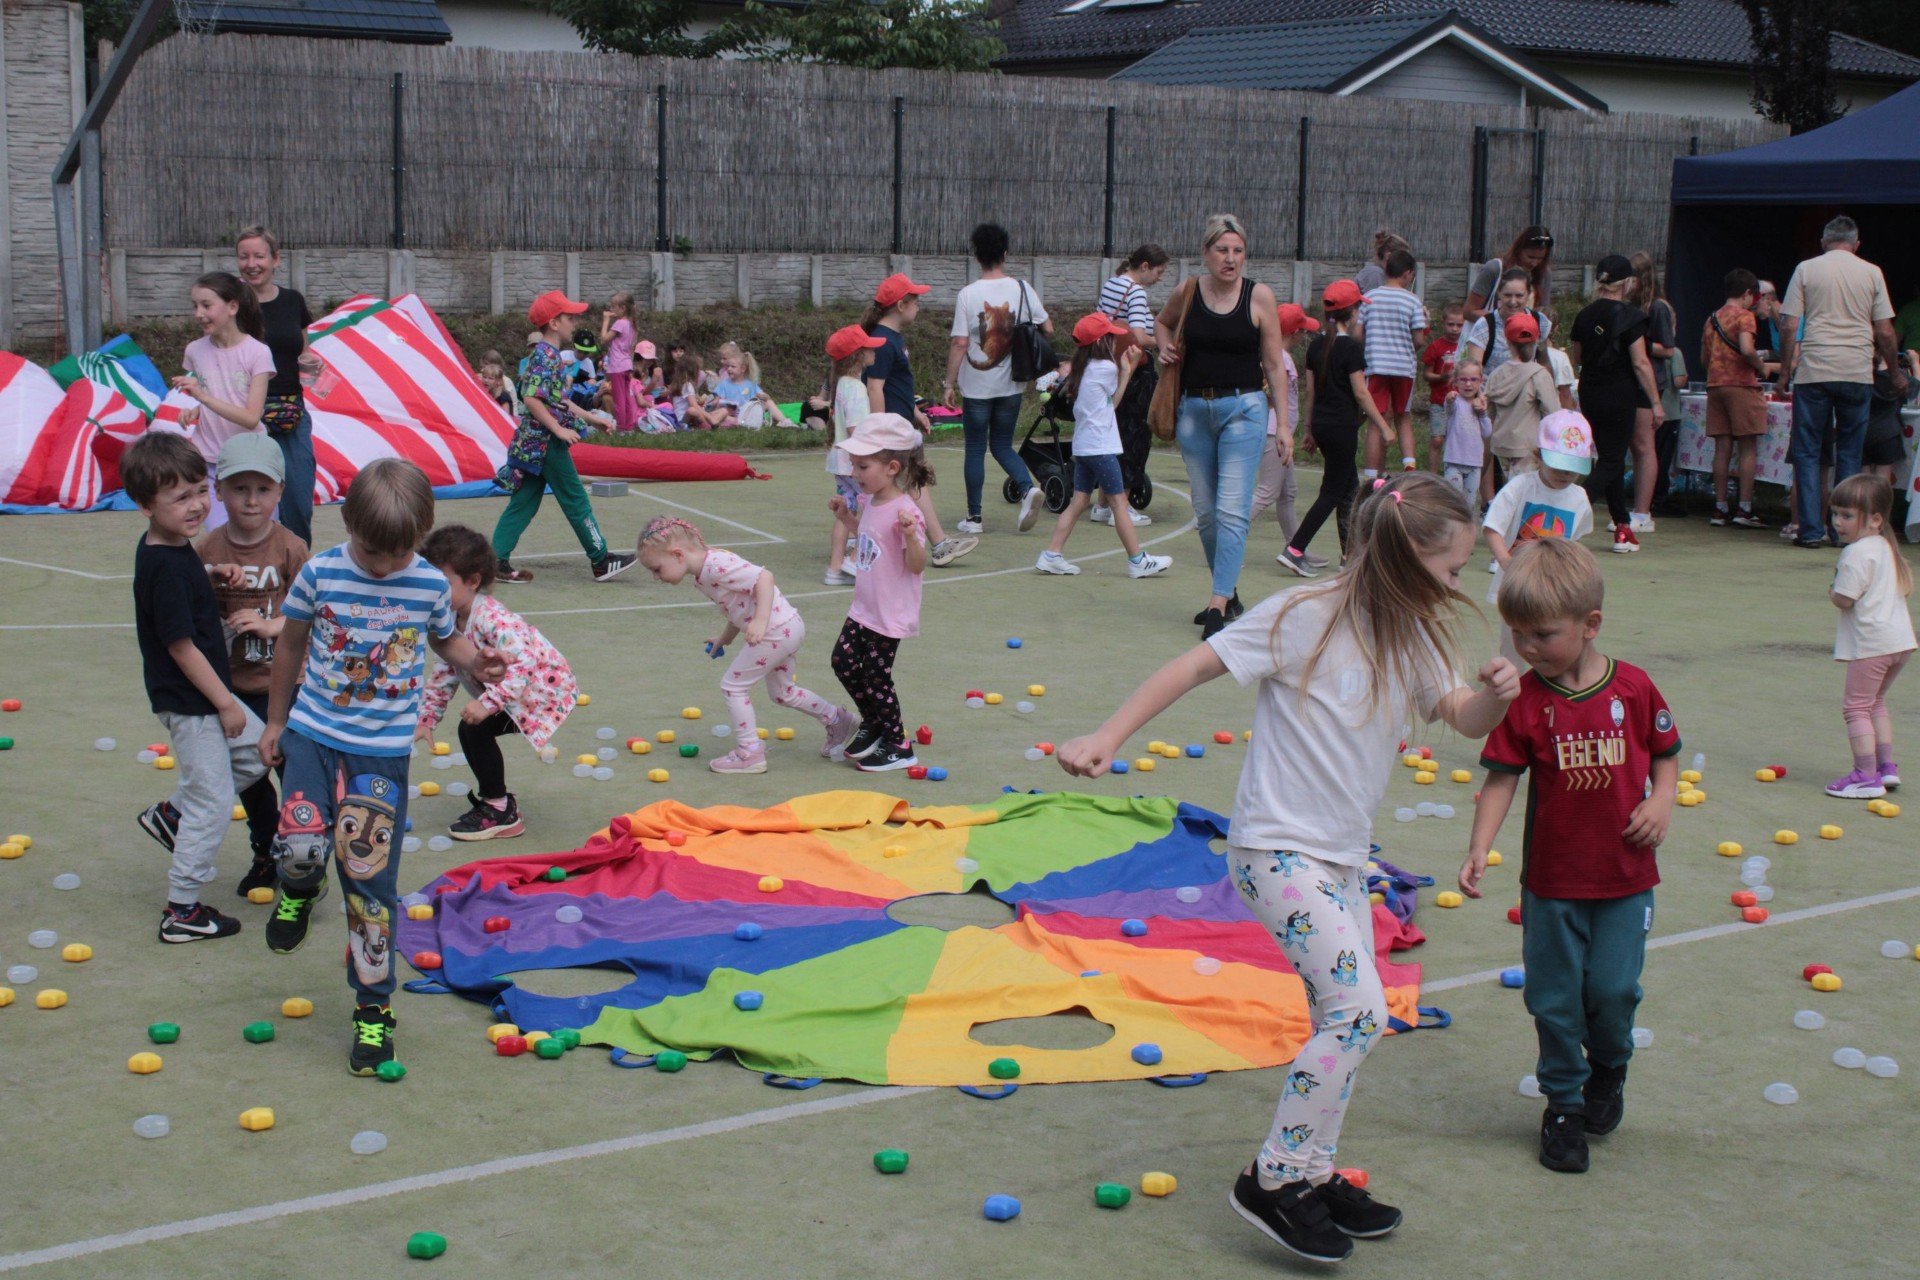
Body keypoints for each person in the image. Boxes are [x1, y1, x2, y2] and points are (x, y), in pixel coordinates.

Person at [1056, 474, 1521, 1264]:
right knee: (1359, 1013)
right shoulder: (1301, 616)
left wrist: (1498, 694)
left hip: (1340, 859)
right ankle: (1271, 1179)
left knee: (1340, 1015)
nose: (1455, 586)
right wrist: (1108, 735)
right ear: (1408, 560)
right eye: (1450, 570)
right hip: (1275, 851)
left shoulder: (1411, 635)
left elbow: (1464, 719)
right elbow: (1192, 667)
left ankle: (1310, 1169)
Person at [258, 458, 507, 1076]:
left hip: (382, 753)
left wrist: (479, 662)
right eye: (372, 551)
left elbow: (444, 640)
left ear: (418, 539)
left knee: (369, 884)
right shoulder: (320, 572)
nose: (381, 566)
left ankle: (373, 1008)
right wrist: (275, 720)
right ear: (345, 522)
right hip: (314, 734)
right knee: (300, 849)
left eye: (397, 554)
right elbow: (290, 642)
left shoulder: (426, 584)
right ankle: (299, 886)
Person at [1461, 536, 1680, 1175]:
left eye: (1542, 635)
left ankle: (1609, 1067)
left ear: (1590, 626)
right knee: (1554, 999)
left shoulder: (1635, 689)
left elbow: (1666, 756)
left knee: (1611, 993)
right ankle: (1562, 1104)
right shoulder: (1525, 702)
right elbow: (1501, 777)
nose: (1527, 649)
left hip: (1624, 879)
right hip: (1552, 885)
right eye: (1517, 634)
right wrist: (1480, 845)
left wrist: (1662, 802)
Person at [125, 431, 271, 945]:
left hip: (199, 697)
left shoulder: (174, 549)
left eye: (198, 491)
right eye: (179, 497)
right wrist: (226, 703)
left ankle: (173, 815)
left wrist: (210, 573)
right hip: (192, 702)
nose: (195, 506)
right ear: (146, 505)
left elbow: (182, 586)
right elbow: (182, 647)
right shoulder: (163, 564)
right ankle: (181, 909)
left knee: (257, 756)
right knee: (213, 801)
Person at [1156, 214, 1293, 633]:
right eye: (1222, 250)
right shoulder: (1189, 290)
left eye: (1237, 251)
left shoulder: (1259, 297)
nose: (1230, 259)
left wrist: (1283, 424)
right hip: (1195, 411)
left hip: (1245, 410)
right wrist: (1163, 347)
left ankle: (1217, 604)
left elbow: (1273, 363)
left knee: (1232, 510)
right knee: (1206, 510)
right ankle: (1229, 593)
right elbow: (1162, 322)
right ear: (1206, 253)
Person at [637, 516, 855, 774]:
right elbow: (737, 607)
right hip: (785, 627)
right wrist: (724, 639)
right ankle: (838, 720)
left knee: (733, 687)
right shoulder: (704, 572)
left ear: (677, 554)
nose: (655, 577)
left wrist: (761, 621)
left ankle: (749, 752)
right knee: (783, 693)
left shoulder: (716, 565)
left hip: (775, 630)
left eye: (656, 569)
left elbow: (764, 578)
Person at [196, 433, 309, 896]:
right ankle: (264, 851)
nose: (251, 500)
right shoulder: (206, 550)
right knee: (250, 779)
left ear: (280, 491)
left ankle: (302, 854)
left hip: (286, 685)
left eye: (262, 489)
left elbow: (313, 614)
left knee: (292, 773)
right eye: (239, 488)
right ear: (219, 489)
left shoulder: (291, 548)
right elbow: (192, 615)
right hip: (234, 688)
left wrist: (270, 625)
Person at [416, 524, 575, 841]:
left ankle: (499, 808)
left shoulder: (490, 617)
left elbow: (524, 662)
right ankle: (498, 803)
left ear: (473, 581)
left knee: (474, 729)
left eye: (443, 583)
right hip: (514, 691)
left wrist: (487, 704)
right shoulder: (450, 617)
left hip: (543, 691)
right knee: (474, 730)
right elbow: (447, 668)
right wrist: (427, 718)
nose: (433, 592)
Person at [490, 290, 635, 585]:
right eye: (569, 318)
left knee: (524, 503)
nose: (574, 323)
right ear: (554, 324)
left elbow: (558, 400)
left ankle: (495, 560)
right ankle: (600, 560)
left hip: (533, 445)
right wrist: (558, 430)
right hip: (546, 445)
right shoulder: (547, 356)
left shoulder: (549, 356)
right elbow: (532, 399)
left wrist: (594, 417)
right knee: (576, 499)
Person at [1779, 216, 1907, 549]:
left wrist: (1783, 372)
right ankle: (1845, 531)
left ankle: (1809, 531)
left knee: (1808, 453)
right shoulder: (1872, 272)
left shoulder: (1806, 269)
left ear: (1823, 242)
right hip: (1856, 371)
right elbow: (1885, 330)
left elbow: (1790, 325)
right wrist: (1893, 371)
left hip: (1815, 370)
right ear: (1856, 244)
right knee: (1850, 452)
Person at [1034, 313, 1173, 580]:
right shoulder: (1105, 369)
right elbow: (1115, 402)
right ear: (1101, 342)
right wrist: (1127, 370)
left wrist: (1123, 369)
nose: (1115, 341)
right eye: (1110, 337)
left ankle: (1051, 554)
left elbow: (1105, 405)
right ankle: (1137, 560)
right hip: (1101, 447)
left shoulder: (1082, 367)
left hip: (1085, 446)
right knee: (1119, 503)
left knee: (1079, 501)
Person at [828, 413, 930, 774]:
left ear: (891, 467)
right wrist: (847, 519)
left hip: (888, 612)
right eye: (854, 465)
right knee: (842, 661)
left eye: (863, 466)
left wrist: (912, 536)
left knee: (875, 675)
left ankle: (898, 744)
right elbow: (870, 540)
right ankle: (873, 722)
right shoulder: (872, 501)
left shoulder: (905, 511)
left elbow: (917, 565)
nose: (856, 473)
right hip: (864, 607)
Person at [1277, 281, 1390, 580]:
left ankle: (1349, 555)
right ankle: (1295, 549)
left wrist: (1310, 429)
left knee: (1349, 489)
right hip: (1342, 428)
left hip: (1326, 427)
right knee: (1331, 492)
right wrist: (1383, 426)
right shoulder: (1351, 348)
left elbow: (1310, 393)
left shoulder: (1316, 346)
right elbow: (1362, 394)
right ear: (1352, 313)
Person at [864, 272, 976, 567]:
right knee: (905, 483)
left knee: (914, 482)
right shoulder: (882, 341)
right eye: (915, 300)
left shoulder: (892, 339)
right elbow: (875, 386)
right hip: (891, 430)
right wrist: (880, 427)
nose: (919, 305)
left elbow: (895, 386)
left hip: (901, 424)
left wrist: (915, 412)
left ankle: (938, 543)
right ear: (901, 305)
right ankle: (934, 544)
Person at [946, 223, 1049, 535]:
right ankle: (1027, 488)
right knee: (1002, 444)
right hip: (1011, 384)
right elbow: (1047, 328)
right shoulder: (1022, 288)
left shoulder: (968, 294)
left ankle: (974, 519)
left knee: (975, 447)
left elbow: (960, 343)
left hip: (976, 387)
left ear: (977, 256)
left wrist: (948, 383)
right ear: (1005, 253)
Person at [1823, 474, 1914, 800]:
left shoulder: (1856, 553)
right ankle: (1885, 766)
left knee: (1856, 708)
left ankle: (1865, 775)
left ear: (1875, 519)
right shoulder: (1885, 547)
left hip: (1873, 645)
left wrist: (1832, 591)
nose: (1838, 522)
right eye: (1835, 514)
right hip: (1900, 642)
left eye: (1847, 516)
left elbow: (1845, 598)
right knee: (1876, 702)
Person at [1482, 409, 1597, 664]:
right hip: (1516, 585)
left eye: (1572, 468)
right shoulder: (1520, 487)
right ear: (1539, 456)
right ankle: (1511, 696)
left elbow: (1572, 544)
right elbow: (1492, 528)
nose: (1565, 474)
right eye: (1558, 466)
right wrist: (1509, 564)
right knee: (1514, 648)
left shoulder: (1579, 499)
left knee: (1552, 643)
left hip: (1553, 587)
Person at [1571, 255, 1661, 555]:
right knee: (1612, 460)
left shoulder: (1584, 315)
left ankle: (1622, 527)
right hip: (1619, 393)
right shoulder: (1631, 316)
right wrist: (1656, 403)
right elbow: (1641, 362)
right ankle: (1569, 509)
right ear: (1628, 283)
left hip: (1590, 392)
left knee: (1608, 457)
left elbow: (1578, 356)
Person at [236, 227, 318, 547]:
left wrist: (312, 365)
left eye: (259, 255)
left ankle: (298, 572)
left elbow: (303, 353)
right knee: (253, 501)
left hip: (292, 414)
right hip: (248, 417)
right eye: (244, 256)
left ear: (275, 259)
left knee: (298, 499)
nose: (251, 263)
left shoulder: (293, 301)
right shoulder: (232, 306)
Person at [174, 271, 274, 533]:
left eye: (206, 305)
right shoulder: (195, 350)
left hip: (250, 460)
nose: (199, 313)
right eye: (195, 305)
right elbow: (224, 393)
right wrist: (196, 411)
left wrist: (201, 397)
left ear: (232, 307)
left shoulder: (257, 352)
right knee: (219, 536)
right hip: (208, 459)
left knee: (259, 537)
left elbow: (251, 416)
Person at [1251, 303, 1320, 567]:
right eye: (1302, 331)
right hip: (1273, 434)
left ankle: (1295, 546)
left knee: (1287, 492)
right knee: (1268, 491)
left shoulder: (1278, 355)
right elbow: (1269, 393)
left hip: (1281, 435)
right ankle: (1227, 538)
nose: (1304, 336)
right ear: (1293, 332)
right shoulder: (1280, 358)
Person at [1701, 268, 1772, 528]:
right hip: (1741, 385)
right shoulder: (1745, 317)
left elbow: (1704, 358)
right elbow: (1746, 348)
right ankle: (1744, 508)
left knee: (1722, 448)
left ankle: (1719, 507)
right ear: (1747, 294)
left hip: (1715, 384)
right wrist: (1761, 367)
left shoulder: (1712, 319)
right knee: (1747, 447)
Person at [1358, 249, 1430, 475]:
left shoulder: (1370, 298)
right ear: (1408, 274)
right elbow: (1418, 339)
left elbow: (1358, 335)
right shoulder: (1412, 300)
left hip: (1376, 366)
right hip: (1403, 368)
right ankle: (1409, 468)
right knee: (1403, 417)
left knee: (1376, 420)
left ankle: (1371, 476)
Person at [824, 324, 886, 585]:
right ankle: (852, 558)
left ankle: (834, 568)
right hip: (854, 462)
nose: (874, 350)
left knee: (845, 510)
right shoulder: (857, 389)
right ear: (858, 355)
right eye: (869, 347)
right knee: (871, 509)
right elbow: (855, 428)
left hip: (840, 460)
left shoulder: (843, 384)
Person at [1484, 314, 1560, 484]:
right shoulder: (1539, 374)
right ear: (1535, 342)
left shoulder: (1496, 374)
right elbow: (1552, 413)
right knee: (1524, 494)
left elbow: (1489, 414)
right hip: (1528, 447)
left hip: (1501, 446)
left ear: (1507, 342)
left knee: (1509, 490)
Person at [1461, 268, 1551, 377]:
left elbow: (1544, 362)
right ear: (1499, 293)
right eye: (1507, 295)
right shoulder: (1485, 326)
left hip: (1526, 391)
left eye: (1519, 296)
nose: (1513, 302)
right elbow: (1474, 370)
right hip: (1491, 392)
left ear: (1528, 294)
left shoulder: (1539, 322)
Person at [1467, 226, 1555, 321]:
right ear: (1519, 250)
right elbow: (1469, 312)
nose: (1534, 263)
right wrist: (1504, 319)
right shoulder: (1494, 269)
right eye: (1530, 257)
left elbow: (1542, 311)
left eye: (1540, 259)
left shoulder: (1544, 274)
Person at [1100, 243, 1169, 349]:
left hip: (1108, 351)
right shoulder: (1136, 292)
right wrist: (1163, 341)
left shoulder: (1110, 283)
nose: (1160, 278)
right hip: (1132, 358)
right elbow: (1139, 338)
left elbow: (1099, 319)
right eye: (1159, 272)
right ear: (1145, 266)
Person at [1421, 304, 1465, 471]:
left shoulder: (1466, 346)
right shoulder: (1436, 346)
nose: (1454, 329)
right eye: (1450, 324)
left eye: (1459, 325)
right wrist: (1441, 377)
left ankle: (1453, 472)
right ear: (1443, 323)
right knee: (1437, 439)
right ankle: (1432, 474)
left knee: (1456, 440)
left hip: (1460, 401)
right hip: (1439, 401)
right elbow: (1426, 374)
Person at [1438, 360, 1490, 501]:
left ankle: (1467, 523)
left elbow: (1487, 433)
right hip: (1454, 461)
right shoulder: (1455, 402)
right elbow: (1448, 408)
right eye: (1463, 380)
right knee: (1454, 500)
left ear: (1481, 381)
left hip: (1474, 463)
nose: (1468, 384)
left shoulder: (1480, 404)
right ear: (1455, 382)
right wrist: (1449, 399)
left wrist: (1483, 414)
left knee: (1470, 502)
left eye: (1473, 379)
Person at [600, 292, 639, 434]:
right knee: (627, 397)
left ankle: (621, 428)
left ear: (622, 308)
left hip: (617, 366)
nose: (611, 309)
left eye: (613, 307)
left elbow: (604, 339)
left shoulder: (620, 323)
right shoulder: (631, 324)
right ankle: (629, 426)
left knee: (619, 399)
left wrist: (605, 320)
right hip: (627, 365)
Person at [1353, 228, 1410, 295]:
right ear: (1388, 256)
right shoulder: (1375, 274)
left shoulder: (1383, 274)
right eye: (1402, 258)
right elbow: (1374, 303)